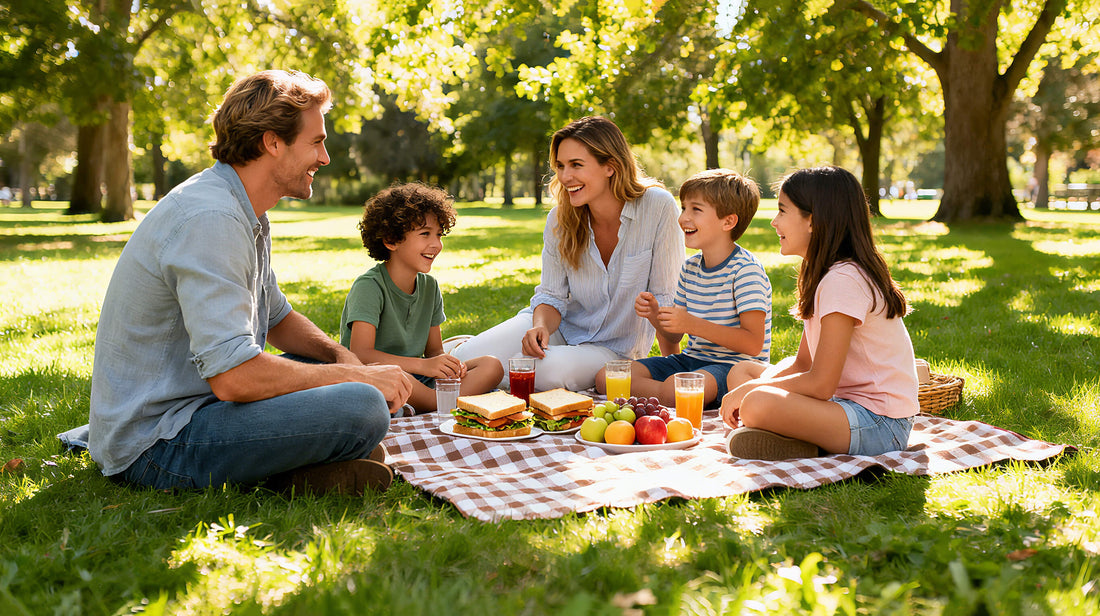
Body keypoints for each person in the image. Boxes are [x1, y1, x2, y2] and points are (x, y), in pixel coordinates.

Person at [88, 70, 412, 495]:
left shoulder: (244, 210)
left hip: (202, 407)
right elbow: (234, 377)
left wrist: (341, 356)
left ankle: (302, 467)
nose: (325, 157)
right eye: (316, 142)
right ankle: (299, 465)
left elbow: (277, 317)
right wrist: (359, 381)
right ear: (272, 141)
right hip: (158, 444)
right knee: (363, 404)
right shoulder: (213, 219)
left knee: (335, 373)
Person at [451, 116, 684, 392]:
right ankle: (464, 353)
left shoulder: (658, 208)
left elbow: (669, 303)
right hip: (558, 330)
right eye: (560, 166)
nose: (564, 177)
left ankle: (482, 376)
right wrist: (540, 327)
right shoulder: (560, 219)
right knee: (462, 361)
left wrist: (673, 368)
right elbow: (551, 296)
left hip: (611, 349)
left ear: (610, 166)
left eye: (576, 165)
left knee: (535, 371)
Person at [719, 165, 919, 460]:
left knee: (756, 401)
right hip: (843, 406)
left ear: (812, 220)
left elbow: (821, 383)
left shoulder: (843, 281)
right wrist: (750, 384)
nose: (774, 222)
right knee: (742, 372)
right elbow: (803, 363)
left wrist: (753, 391)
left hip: (880, 424)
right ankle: (804, 443)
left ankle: (794, 436)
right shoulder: (824, 274)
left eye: (782, 211)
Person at [596, 168, 772, 407]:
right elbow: (675, 337)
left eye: (695, 209)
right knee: (607, 377)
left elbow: (752, 343)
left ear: (728, 221)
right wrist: (657, 316)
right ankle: (671, 395)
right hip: (691, 360)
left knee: (675, 389)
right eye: (683, 207)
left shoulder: (745, 270)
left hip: (733, 369)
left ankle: (666, 395)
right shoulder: (690, 268)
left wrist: (692, 323)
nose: (683, 218)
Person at [340, 183, 504, 413]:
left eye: (438, 234)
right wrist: (424, 365)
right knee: (396, 377)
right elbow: (361, 354)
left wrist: (447, 365)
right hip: (377, 375)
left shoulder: (429, 287)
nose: (436, 244)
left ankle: (433, 402)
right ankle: (440, 403)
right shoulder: (369, 286)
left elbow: (434, 351)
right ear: (391, 240)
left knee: (492, 365)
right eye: (425, 234)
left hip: (419, 376)